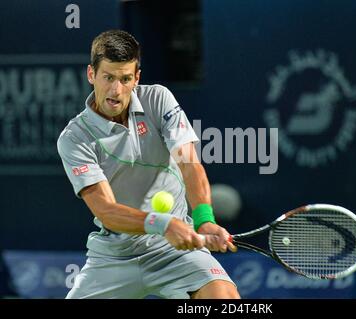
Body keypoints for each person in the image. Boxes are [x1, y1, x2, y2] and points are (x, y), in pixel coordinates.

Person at [57, 30, 240, 298]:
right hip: (114, 257)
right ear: (91, 75)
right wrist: (163, 224)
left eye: (125, 79)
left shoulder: (158, 99)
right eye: (108, 77)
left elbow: (189, 163)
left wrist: (204, 220)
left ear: (137, 78)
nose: (115, 90)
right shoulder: (74, 138)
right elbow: (107, 211)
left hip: (175, 251)